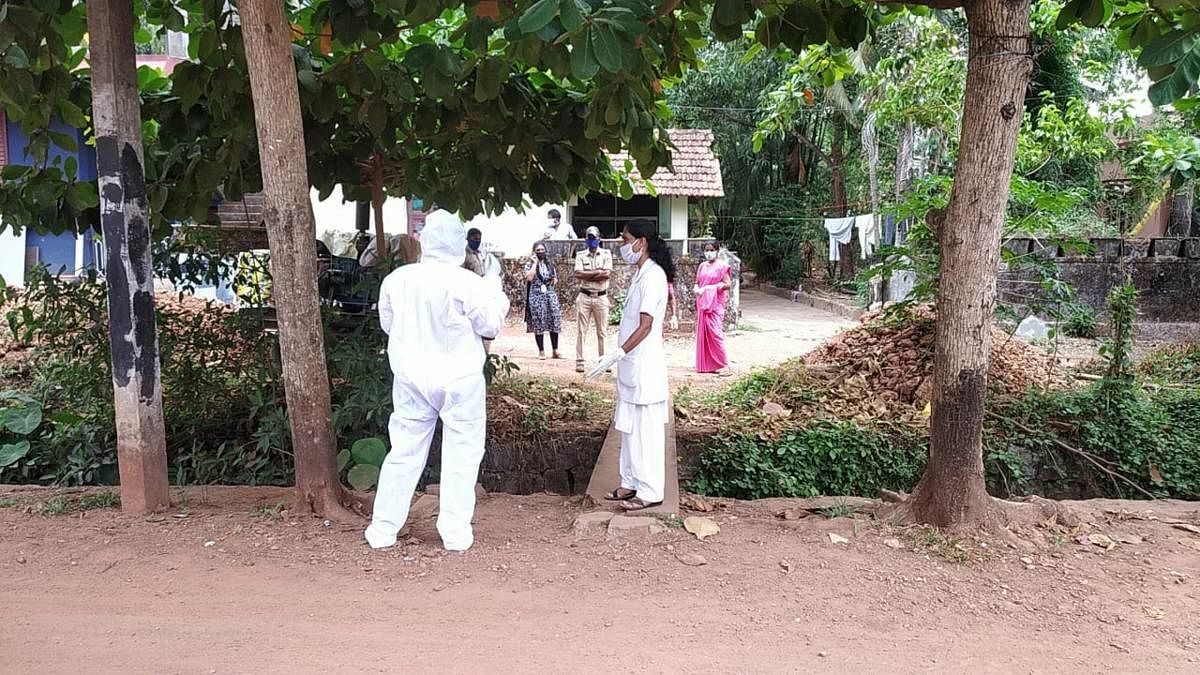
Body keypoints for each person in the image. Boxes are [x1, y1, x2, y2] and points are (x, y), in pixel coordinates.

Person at [364, 210, 509, 552]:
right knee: (463, 453)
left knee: (404, 451)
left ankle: (383, 529)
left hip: (411, 377)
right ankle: (455, 533)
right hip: (460, 379)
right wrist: (495, 291)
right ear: (460, 244)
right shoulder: (470, 283)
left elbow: (389, 325)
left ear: (423, 240)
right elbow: (490, 327)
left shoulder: (397, 280)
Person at [586, 219, 673, 511]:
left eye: (626, 240)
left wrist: (619, 352)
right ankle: (630, 482)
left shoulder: (654, 277)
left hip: (643, 366)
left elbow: (646, 325)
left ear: (642, 242)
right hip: (631, 367)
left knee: (645, 430)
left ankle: (650, 491)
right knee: (629, 427)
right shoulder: (641, 274)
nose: (622, 246)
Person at [573, 226, 613, 373]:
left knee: (602, 332)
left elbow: (607, 274)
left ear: (599, 239)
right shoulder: (581, 255)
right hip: (584, 296)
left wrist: (588, 274)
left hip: (601, 296)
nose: (592, 241)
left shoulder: (606, 254)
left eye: (594, 238)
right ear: (586, 240)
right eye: (589, 238)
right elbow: (578, 274)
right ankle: (580, 361)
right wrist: (597, 272)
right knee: (581, 330)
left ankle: (603, 361)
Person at [693, 242, 733, 374]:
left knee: (715, 333)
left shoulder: (722, 266)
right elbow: (698, 282)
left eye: (711, 250)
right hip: (703, 303)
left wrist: (712, 288)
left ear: (716, 250)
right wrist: (697, 289)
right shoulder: (702, 266)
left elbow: (727, 284)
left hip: (715, 304)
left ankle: (724, 364)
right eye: (706, 250)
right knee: (704, 334)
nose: (709, 252)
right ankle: (708, 364)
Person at [463, 227, 501, 355]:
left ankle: (485, 355)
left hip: (483, 291)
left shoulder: (482, 253)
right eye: (474, 239)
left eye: (479, 239)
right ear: (468, 239)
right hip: (469, 292)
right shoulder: (464, 255)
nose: (477, 241)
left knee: (485, 322)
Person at [524, 241, 563, 359]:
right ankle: (541, 351)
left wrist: (553, 279)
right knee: (539, 322)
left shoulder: (549, 264)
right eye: (538, 250)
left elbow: (555, 279)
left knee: (554, 320)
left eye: (542, 250)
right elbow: (529, 277)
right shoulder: (529, 264)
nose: (541, 252)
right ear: (534, 252)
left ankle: (555, 350)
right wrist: (535, 262)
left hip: (550, 295)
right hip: (536, 296)